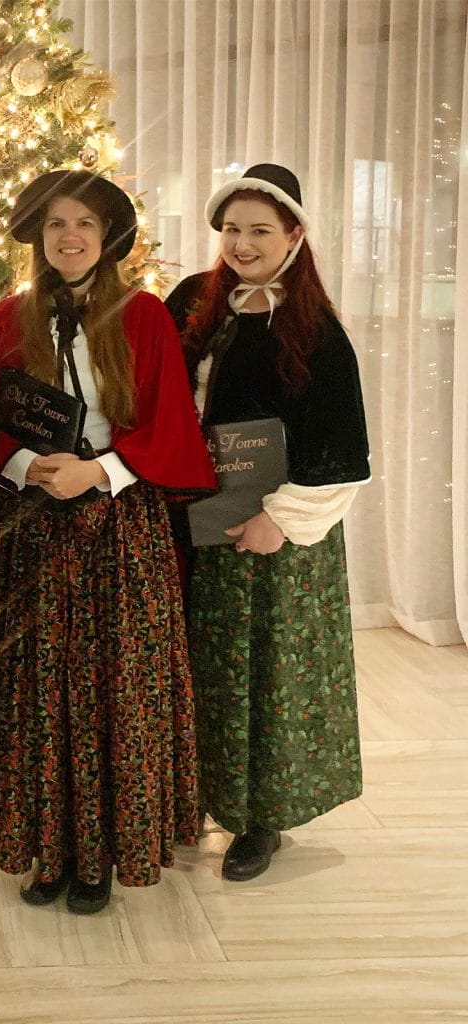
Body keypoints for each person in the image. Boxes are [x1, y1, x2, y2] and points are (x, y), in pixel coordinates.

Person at [0, 170, 217, 913]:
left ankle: (101, 852)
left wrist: (100, 471)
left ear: (106, 240)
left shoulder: (142, 319)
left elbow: (170, 423)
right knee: (40, 690)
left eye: (83, 225)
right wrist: (25, 464)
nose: (69, 237)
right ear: (39, 239)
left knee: (114, 690)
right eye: (55, 226)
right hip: (31, 527)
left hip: (118, 528)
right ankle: (47, 847)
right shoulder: (6, 319)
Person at [165, 164, 371, 881]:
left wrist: (279, 521)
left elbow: (343, 448)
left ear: (294, 235)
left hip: (275, 539)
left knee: (265, 676)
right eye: (231, 229)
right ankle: (190, 797)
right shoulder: (194, 301)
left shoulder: (315, 329)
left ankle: (260, 818)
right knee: (194, 668)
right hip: (195, 520)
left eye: (259, 230)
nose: (242, 244)